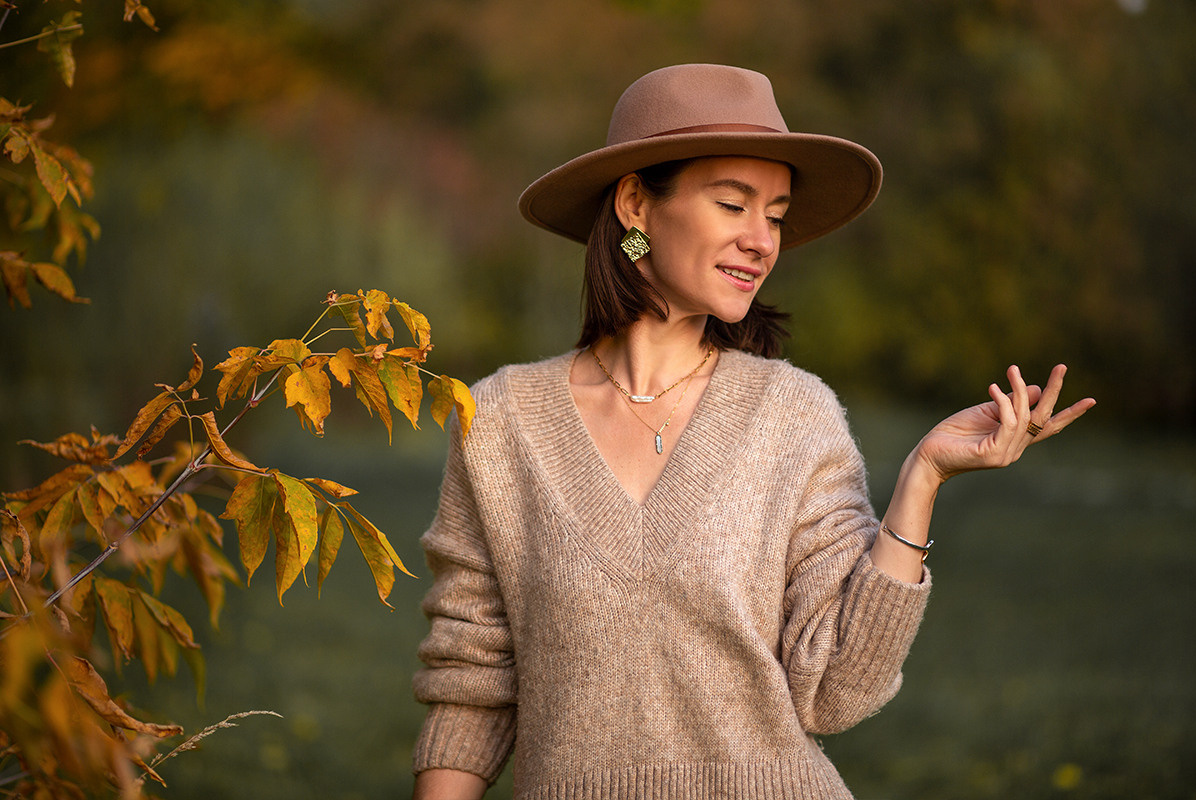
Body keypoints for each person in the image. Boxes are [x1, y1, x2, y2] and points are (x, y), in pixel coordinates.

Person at [409, 64, 1095, 799]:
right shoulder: (500, 422)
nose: (762, 241)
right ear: (637, 203)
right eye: (733, 204)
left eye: (774, 215)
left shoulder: (795, 417)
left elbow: (837, 692)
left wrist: (924, 475)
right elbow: (470, 683)